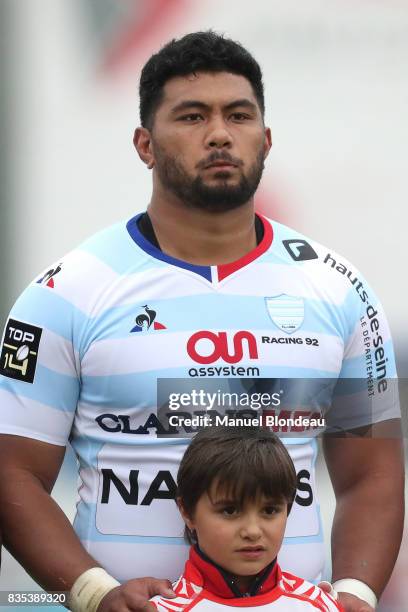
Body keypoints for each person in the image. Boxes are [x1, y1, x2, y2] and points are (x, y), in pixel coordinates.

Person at [0, 31, 403, 612]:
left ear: (265, 140)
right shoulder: (65, 293)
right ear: (144, 143)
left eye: (238, 116)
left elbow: (374, 477)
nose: (219, 134)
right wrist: (94, 594)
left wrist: (355, 596)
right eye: (191, 116)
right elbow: (13, 475)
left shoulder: (340, 290)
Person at [149, 425, 343, 611]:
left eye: (269, 510)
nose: (252, 531)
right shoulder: (158, 609)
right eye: (230, 511)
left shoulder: (320, 605)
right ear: (187, 511)